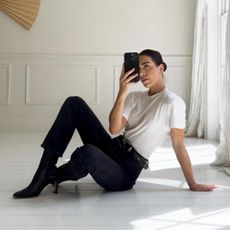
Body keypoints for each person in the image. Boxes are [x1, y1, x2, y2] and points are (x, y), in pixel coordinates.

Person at [13, 49, 216, 199]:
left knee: (88, 153)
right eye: (139, 67)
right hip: (113, 148)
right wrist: (122, 90)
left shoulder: (173, 103)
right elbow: (114, 129)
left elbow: (179, 145)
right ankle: (41, 176)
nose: (142, 72)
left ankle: (54, 175)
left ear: (161, 67)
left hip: (126, 170)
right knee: (74, 103)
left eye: (147, 66)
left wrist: (193, 183)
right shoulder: (134, 97)